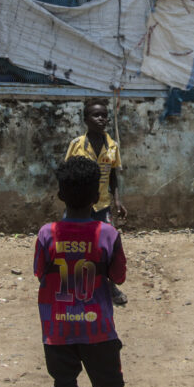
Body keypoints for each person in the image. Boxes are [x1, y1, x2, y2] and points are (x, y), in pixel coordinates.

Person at [34, 156, 146, 387]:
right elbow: (120, 277)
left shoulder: (47, 234)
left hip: (58, 330)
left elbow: (39, 272)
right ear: (98, 197)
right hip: (98, 328)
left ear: (60, 195)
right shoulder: (107, 234)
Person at [65, 97, 129, 305]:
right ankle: (70, 287)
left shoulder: (112, 146)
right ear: (86, 119)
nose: (101, 119)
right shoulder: (77, 145)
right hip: (78, 206)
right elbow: (68, 175)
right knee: (71, 246)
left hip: (102, 204)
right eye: (96, 115)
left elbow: (112, 175)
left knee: (106, 247)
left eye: (104, 115)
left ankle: (109, 285)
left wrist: (117, 200)